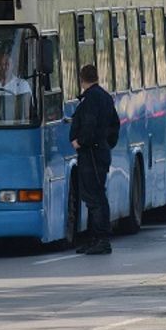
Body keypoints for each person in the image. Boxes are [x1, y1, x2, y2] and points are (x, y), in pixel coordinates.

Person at [69, 64, 120, 255]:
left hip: (90, 154)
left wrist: (80, 142)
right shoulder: (105, 97)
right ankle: (95, 239)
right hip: (99, 153)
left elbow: (89, 125)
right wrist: (107, 144)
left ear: (82, 80)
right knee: (93, 196)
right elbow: (115, 125)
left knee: (95, 197)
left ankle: (102, 239)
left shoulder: (91, 99)